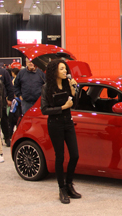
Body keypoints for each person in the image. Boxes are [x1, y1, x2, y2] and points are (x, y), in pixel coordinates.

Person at [40, 59, 81, 204]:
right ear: (55, 71)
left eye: (66, 69)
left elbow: (74, 104)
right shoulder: (47, 87)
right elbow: (44, 109)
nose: (66, 71)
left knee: (75, 155)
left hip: (68, 123)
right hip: (55, 124)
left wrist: (73, 89)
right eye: (62, 69)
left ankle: (69, 184)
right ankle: (61, 188)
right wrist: (63, 107)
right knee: (60, 157)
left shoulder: (66, 84)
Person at [0, 62, 14, 147]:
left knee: (4, 120)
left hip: (2, 101)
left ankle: (7, 138)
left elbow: (9, 86)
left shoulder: (3, 72)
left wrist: (10, 99)